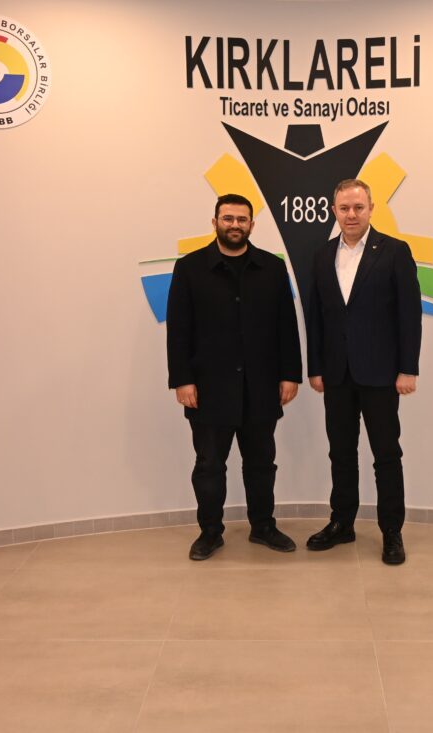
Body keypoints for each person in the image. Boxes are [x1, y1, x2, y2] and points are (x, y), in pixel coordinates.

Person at [167, 193, 302, 560]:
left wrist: (290, 374)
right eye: (228, 218)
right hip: (208, 388)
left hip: (261, 386)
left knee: (262, 464)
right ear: (215, 223)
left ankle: (264, 527)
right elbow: (179, 329)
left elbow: (286, 326)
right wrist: (182, 379)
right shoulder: (190, 268)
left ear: (252, 225)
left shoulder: (272, 268)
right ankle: (210, 532)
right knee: (209, 466)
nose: (235, 225)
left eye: (242, 219)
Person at [306, 179, 422, 565]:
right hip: (336, 375)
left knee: (386, 454)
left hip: (381, 375)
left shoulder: (395, 251)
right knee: (341, 452)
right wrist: (316, 367)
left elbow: (409, 315)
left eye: (358, 207)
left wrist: (407, 369)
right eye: (344, 208)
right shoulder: (322, 255)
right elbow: (316, 317)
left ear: (371, 208)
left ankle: (392, 531)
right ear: (334, 211)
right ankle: (342, 523)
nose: (351, 214)